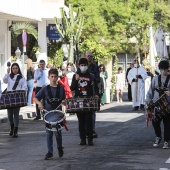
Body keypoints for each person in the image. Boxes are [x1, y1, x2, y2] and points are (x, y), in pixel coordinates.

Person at [34, 68, 65, 159]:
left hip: (58, 114)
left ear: (58, 77)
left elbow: (64, 100)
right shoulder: (45, 89)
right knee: (49, 133)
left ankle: (59, 147)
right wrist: (39, 103)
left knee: (58, 133)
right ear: (48, 77)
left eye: (55, 77)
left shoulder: (61, 88)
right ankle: (50, 152)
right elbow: (35, 98)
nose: (53, 79)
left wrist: (64, 103)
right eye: (52, 77)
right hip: (48, 114)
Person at [70, 58, 99, 146]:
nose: (83, 67)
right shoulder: (75, 75)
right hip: (79, 100)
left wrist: (97, 95)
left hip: (89, 100)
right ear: (79, 66)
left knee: (89, 121)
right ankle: (82, 139)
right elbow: (72, 88)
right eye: (82, 65)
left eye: (85, 65)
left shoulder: (91, 76)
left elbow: (96, 87)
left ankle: (90, 139)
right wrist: (76, 79)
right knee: (81, 121)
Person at [146, 60, 170, 149]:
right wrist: (147, 102)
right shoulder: (155, 79)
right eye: (161, 69)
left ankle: (166, 141)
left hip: (168, 106)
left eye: (164, 69)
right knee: (155, 122)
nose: (163, 71)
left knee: (167, 124)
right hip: (156, 104)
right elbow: (150, 91)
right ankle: (158, 136)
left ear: (168, 69)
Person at [3, 63, 27, 137]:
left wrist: (21, 92)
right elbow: (4, 81)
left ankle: (16, 130)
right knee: (10, 115)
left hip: (17, 97)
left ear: (18, 69)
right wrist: (7, 72)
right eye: (13, 68)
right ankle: (12, 127)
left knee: (16, 114)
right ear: (11, 69)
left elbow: (25, 86)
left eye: (16, 68)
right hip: (10, 97)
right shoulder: (9, 76)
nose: (15, 70)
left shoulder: (21, 77)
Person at [85, 51, 100, 138]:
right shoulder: (82, 66)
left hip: (92, 91)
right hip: (83, 92)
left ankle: (92, 130)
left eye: (91, 56)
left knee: (92, 112)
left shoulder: (95, 67)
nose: (89, 58)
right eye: (88, 56)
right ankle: (84, 131)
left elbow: (97, 79)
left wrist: (91, 77)